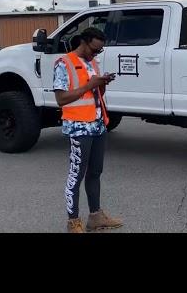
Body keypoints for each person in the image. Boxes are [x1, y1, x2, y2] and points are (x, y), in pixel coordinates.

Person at [53, 27, 123, 233]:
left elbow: (95, 92)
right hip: (78, 127)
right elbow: (61, 99)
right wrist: (89, 85)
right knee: (76, 175)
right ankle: (73, 222)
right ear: (83, 42)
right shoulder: (63, 63)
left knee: (95, 172)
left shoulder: (93, 63)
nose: (96, 54)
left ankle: (95, 216)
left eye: (99, 51)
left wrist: (102, 84)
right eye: (94, 49)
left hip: (98, 125)